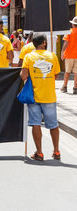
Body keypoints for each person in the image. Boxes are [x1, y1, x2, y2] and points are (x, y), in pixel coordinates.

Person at [20, 33, 61, 161]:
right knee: (53, 124)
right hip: (49, 95)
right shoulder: (52, 56)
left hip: (34, 96)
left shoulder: (29, 57)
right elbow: (56, 75)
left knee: (36, 124)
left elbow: (23, 76)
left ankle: (39, 152)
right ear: (44, 43)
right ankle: (56, 151)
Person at [60, 17, 77, 94]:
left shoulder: (69, 32)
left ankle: (64, 86)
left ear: (73, 24)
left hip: (69, 55)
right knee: (76, 73)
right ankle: (75, 88)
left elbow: (66, 43)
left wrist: (62, 52)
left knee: (67, 72)